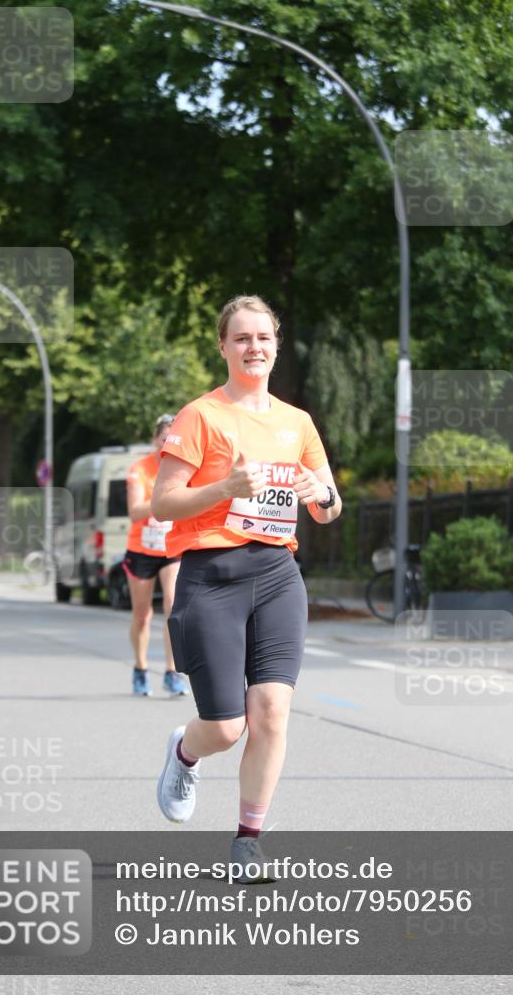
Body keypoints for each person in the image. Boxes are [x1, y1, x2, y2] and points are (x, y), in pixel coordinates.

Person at [152, 295, 341, 881]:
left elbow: (330, 507)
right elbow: (163, 503)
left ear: (276, 345)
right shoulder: (200, 416)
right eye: (241, 338)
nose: (253, 347)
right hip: (211, 577)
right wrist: (225, 488)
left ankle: (247, 841)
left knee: (272, 712)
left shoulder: (297, 422)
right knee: (226, 727)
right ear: (223, 347)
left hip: (278, 575)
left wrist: (320, 493)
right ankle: (185, 751)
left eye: (263, 337)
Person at [124, 414, 189, 698]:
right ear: (155, 440)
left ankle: (171, 672)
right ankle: (140, 668)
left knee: (173, 607)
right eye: (164, 439)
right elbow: (134, 511)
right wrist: (163, 501)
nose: (167, 445)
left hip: (170, 547)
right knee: (142, 615)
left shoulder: (182, 469)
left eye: (172, 440)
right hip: (141, 549)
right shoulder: (140, 469)